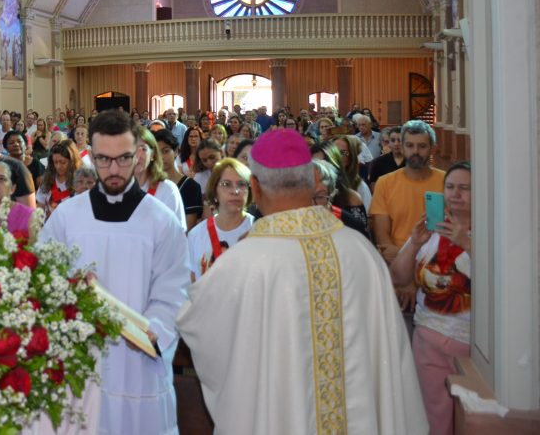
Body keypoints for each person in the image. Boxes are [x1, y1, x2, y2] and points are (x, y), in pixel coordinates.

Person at [177, 129, 428, 435]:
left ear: (254, 185)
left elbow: (195, 325)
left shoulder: (243, 262)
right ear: (312, 179)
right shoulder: (360, 252)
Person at [38, 110, 190, 435]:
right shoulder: (67, 217)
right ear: (91, 156)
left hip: (138, 365)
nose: (114, 169)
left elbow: (174, 291)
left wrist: (155, 330)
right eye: (104, 160)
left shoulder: (161, 221)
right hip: (79, 361)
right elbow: (42, 280)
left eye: (122, 159)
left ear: (137, 156)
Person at [390, 162, 472, 435]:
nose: (455, 194)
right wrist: (414, 243)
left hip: (472, 344)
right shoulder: (432, 231)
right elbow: (399, 278)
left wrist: (468, 243)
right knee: (432, 418)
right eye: (449, 187)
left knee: (468, 419)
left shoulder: (491, 232)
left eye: (464, 188)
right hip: (428, 337)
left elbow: (500, 282)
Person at [370, 120, 445, 265]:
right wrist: (405, 257)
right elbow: (382, 235)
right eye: (410, 145)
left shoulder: (446, 181)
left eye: (422, 146)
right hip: (398, 261)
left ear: (432, 149)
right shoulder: (385, 183)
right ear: (402, 148)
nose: (415, 151)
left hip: (436, 261)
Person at [187, 158, 255, 280]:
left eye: (242, 184)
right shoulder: (196, 235)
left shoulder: (258, 229)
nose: (235, 191)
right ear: (215, 192)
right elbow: (193, 282)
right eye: (226, 184)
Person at [134, 126, 186, 230]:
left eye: (143, 149)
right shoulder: (117, 190)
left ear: (153, 154)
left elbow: (178, 234)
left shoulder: (167, 189)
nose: (138, 155)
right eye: (132, 149)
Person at [154, 129, 205, 231]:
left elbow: (187, 229)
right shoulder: (148, 184)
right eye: (157, 152)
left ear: (176, 151)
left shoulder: (191, 187)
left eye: (166, 151)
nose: (162, 157)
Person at [37, 139, 80, 216]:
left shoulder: (80, 182)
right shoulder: (46, 181)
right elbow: (39, 210)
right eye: (55, 162)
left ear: (72, 161)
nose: (58, 166)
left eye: (63, 162)